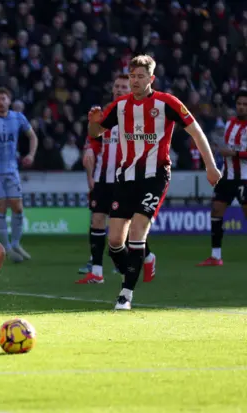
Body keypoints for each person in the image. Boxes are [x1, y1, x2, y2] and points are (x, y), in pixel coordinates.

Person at [87, 55, 221, 310]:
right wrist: (93, 122)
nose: (135, 80)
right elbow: (97, 133)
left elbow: (197, 132)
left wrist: (210, 165)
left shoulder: (167, 103)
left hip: (155, 176)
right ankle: (142, 262)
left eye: (140, 76)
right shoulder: (120, 106)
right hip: (125, 178)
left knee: (137, 233)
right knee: (115, 241)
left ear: (151, 78)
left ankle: (125, 294)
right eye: (132, 76)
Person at [78, 74, 156, 284]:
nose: (120, 89)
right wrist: (90, 153)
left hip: (127, 179)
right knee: (96, 219)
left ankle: (147, 257)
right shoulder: (103, 115)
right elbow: (94, 142)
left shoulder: (137, 115)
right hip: (103, 178)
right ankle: (96, 272)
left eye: (124, 86)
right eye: (117, 86)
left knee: (126, 228)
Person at [0, 87, 39, 263]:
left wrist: (31, 155)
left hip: (12, 169)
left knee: (18, 207)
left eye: (3, 99)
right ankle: (6, 247)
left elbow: (33, 136)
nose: (0, 102)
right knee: (1, 206)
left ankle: (16, 243)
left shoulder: (18, 118)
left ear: (9, 101)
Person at [197, 90, 247, 266]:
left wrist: (233, 152)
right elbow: (225, 145)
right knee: (216, 211)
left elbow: (234, 150)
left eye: (245, 104)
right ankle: (216, 256)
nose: (241, 107)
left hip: (245, 179)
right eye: (239, 103)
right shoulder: (230, 123)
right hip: (227, 176)